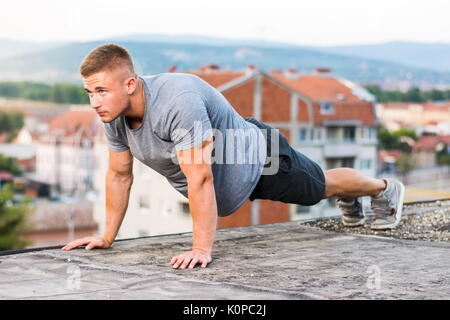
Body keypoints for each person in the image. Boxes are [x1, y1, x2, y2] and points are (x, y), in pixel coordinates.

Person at [62, 44, 405, 269]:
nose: (95, 102)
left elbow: (200, 177)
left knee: (321, 187)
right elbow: (119, 175)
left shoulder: (177, 101)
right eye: (90, 92)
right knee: (323, 187)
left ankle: (382, 188)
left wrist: (201, 249)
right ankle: (354, 197)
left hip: (260, 159)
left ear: (131, 84)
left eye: (102, 91)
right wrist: (107, 236)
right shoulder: (113, 115)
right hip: (231, 183)